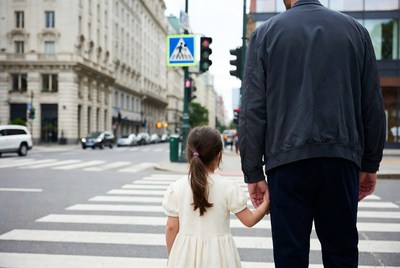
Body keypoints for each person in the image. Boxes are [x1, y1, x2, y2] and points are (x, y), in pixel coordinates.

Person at [239, 0, 386, 267]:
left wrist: (252, 171)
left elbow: (253, 109)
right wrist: (370, 162)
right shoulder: (356, 32)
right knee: (341, 253)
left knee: (290, 255)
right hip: (341, 157)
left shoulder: (266, 34)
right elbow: (373, 104)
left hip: (286, 162)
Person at [162, 126, 269, 268]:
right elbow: (249, 220)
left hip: (184, 256)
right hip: (219, 257)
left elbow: (171, 227)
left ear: (189, 154)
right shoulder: (228, 187)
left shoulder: (177, 188)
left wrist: (173, 256)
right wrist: (266, 203)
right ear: (218, 155)